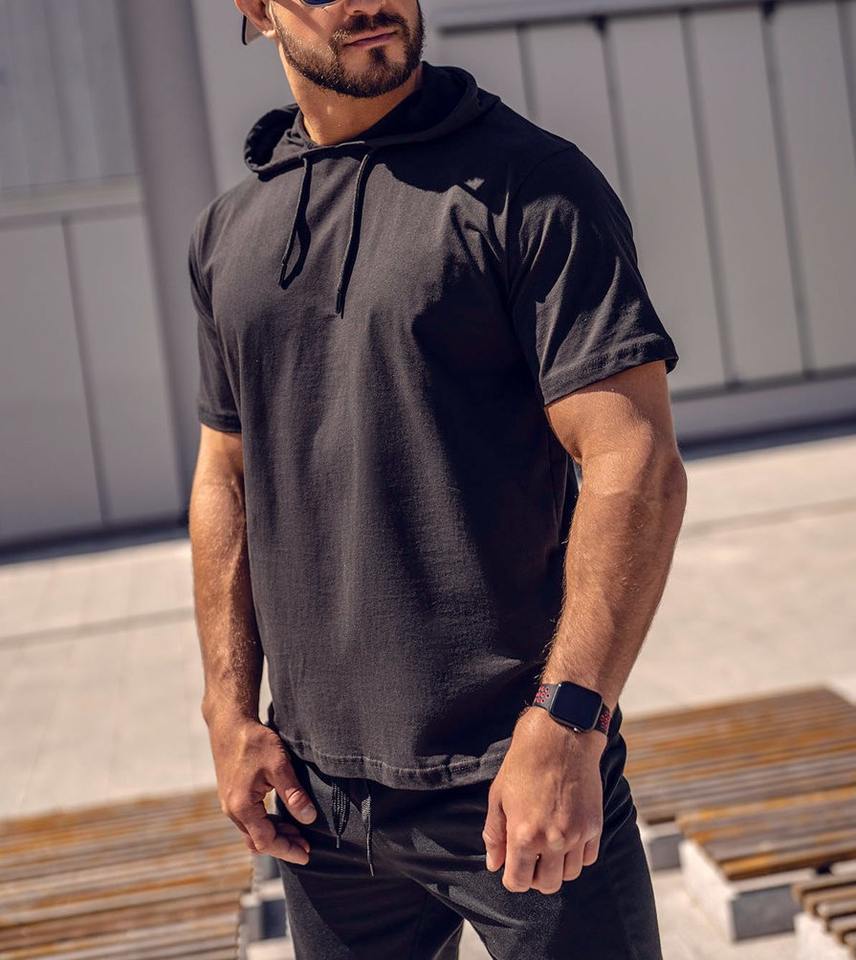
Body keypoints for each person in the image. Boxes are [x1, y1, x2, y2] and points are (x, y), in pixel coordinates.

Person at [188, 0, 686, 956]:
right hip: (319, 810)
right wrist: (229, 712)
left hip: (517, 773)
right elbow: (226, 479)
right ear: (255, 9)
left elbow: (636, 462)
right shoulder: (230, 232)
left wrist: (569, 723)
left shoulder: (531, 185)